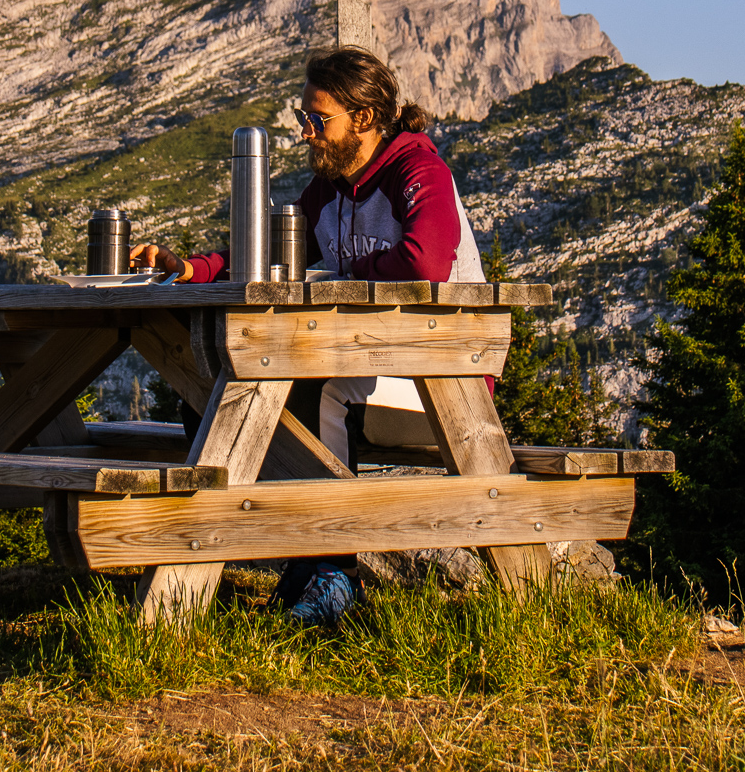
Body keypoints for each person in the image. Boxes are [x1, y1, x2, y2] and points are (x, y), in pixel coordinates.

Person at [131, 45, 487, 469]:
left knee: (312, 392)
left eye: (318, 119)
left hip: (443, 381)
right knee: (209, 392)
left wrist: (350, 272)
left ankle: (329, 525)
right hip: (365, 359)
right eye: (303, 118)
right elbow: (262, 255)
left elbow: (424, 263)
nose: (305, 132)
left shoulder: (417, 171)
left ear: (364, 119)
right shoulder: (327, 192)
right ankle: (249, 522)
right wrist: (189, 269)